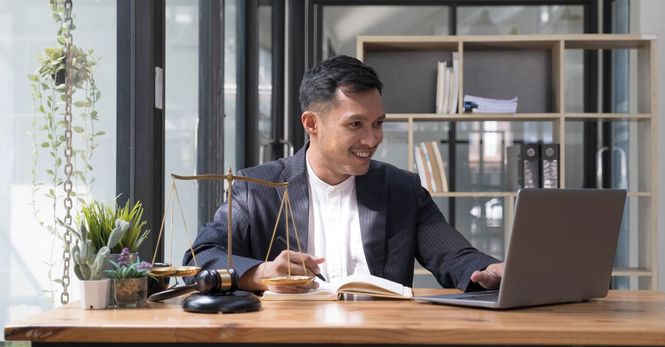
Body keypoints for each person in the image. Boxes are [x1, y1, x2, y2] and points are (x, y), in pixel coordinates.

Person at [184, 55, 504, 293]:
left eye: (377, 123)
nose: (372, 139)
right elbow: (198, 259)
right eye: (356, 124)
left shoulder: (401, 189)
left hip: (380, 338)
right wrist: (262, 273)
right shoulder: (256, 189)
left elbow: (456, 255)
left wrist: (490, 270)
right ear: (312, 124)